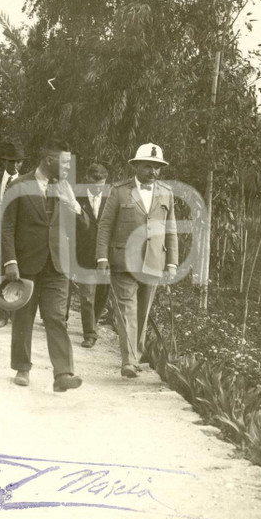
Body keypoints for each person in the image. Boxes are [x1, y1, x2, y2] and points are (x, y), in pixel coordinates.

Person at [1, 138, 86, 392]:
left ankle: (63, 374)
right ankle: (22, 367)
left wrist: (72, 203)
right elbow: (6, 228)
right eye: (65, 163)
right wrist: (10, 261)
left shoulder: (66, 189)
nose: (68, 168)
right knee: (23, 317)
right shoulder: (18, 185)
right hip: (26, 264)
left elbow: (84, 228)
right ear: (49, 160)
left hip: (57, 266)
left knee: (56, 317)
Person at [95, 143, 178, 379]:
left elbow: (171, 230)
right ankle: (129, 360)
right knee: (127, 310)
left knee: (143, 310)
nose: (153, 172)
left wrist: (172, 263)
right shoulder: (119, 191)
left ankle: (135, 355)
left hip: (154, 261)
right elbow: (105, 225)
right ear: (136, 166)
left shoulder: (166, 193)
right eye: (148, 166)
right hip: (123, 261)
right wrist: (102, 256)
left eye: (157, 167)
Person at [73, 162, 111, 348]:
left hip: (106, 255)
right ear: (87, 180)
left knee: (102, 294)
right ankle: (89, 333)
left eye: (101, 186)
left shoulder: (111, 198)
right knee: (87, 296)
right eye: (95, 186)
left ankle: (92, 323)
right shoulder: (76, 197)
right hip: (84, 253)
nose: (98, 190)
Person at [0, 141, 24, 327]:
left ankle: (13, 311)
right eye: (11, 161)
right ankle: (1, 313)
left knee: (13, 272)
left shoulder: (25, 182)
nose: (15, 165)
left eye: (18, 162)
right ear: (4, 161)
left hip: (15, 235)